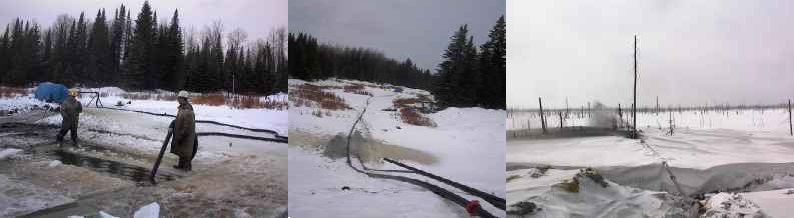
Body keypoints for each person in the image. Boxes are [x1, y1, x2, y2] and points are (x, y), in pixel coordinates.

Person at [170, 91, 196, 171]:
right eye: (178, 98)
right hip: (181, 134)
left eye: (179, 98)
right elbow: (178, 120)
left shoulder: (188, 111)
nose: (178, 100)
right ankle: (181, 165)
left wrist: (181, 136)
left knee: (186, 152)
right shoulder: (182, 109)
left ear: (184, 99)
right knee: (181, 151)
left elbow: (187, 126)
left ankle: (187, 168)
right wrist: (172, 124)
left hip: (186, 136)